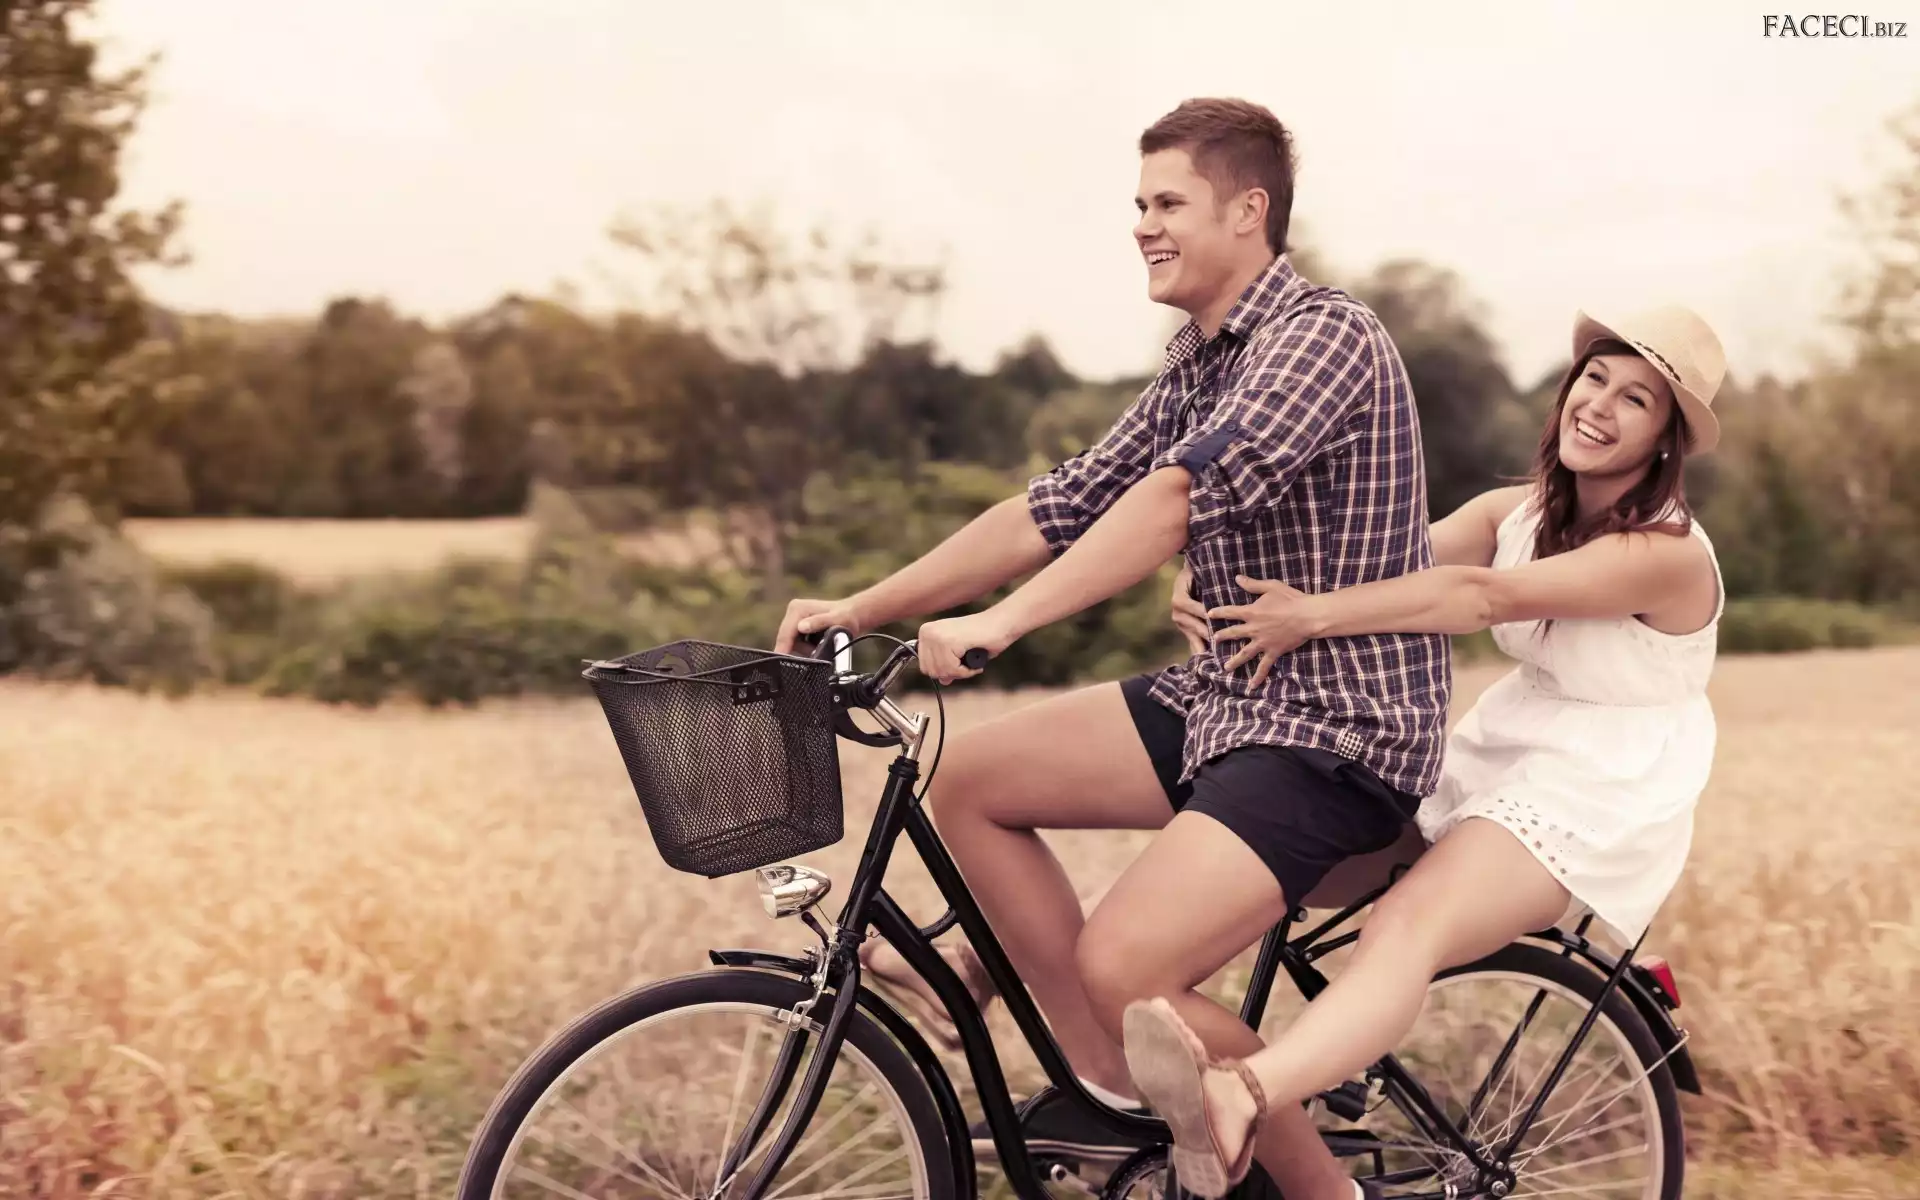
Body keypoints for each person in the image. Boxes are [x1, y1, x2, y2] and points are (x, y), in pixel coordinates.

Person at [775, 95, 1451, 1196]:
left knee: (1129, 966)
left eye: (1168, 203)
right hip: (1227, 698)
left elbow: (1176, 499)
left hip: (1335, 730)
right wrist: (862, 605)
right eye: (1139, 204)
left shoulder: (1323, 336)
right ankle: (1111, 1079)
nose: (1143, 225)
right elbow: (1062, 505)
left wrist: (1003, 622)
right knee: (973, 780)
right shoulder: (1199, 362)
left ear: (1248, 211)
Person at [1122, 304, 1730, 1197]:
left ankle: (1245, 1094)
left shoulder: (1666, 554)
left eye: (1635, 399)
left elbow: (1479, 598)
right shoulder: (1515, 512)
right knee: (1277, 860)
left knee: (1410, 924)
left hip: (1597, 786)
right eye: (1595, 378)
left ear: (1665, 441)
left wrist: (1310, 619)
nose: (1600, 405)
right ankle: (1244, 1055)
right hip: (1506, 742)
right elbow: (1363, 560)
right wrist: (1217, 575)